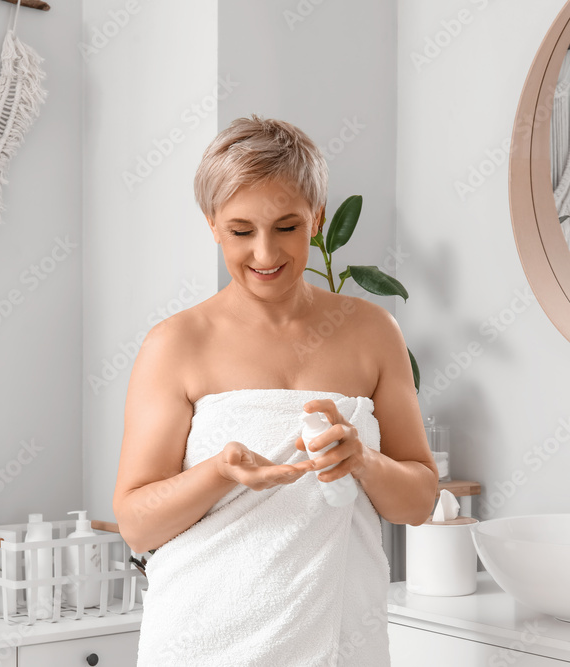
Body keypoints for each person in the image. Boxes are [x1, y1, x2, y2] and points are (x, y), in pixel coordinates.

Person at [113, 116, 438, 666]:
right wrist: (218, 471)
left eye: (286, 227)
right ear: (213, 224)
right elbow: (137, 522)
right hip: (204, 640)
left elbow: (420, 501)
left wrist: (362, 460)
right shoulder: (176, 344)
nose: (265, 255)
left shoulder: (372, 331)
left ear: (317, 218)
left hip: (338, 644)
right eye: (241, 231)